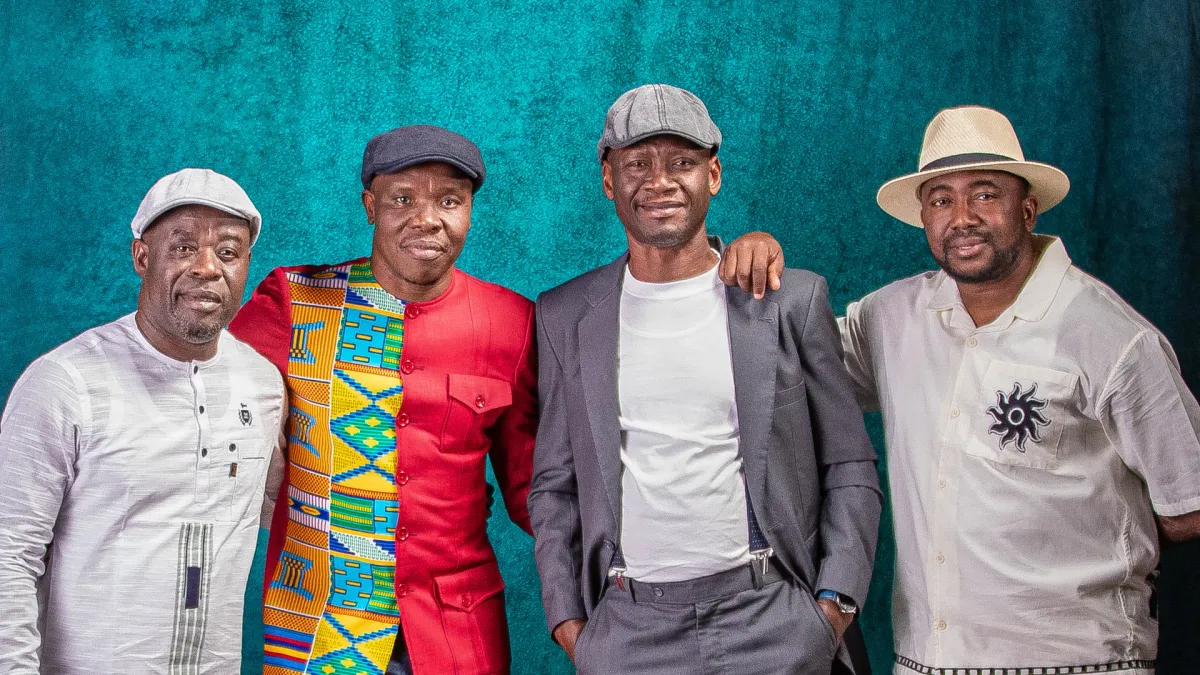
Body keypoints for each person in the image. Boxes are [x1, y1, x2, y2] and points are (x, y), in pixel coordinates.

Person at [736, 105, 1200, 674]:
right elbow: (783, 364)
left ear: (1027, 209)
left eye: (984, 194)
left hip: (1080, 658)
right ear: (923, 217)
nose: (962, 218)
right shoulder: (891, 318)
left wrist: (1092, 544)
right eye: (941, 200)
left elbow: (1189, 504)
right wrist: (751, 263)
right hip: (927, 659)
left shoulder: (1111, 337)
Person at [528, 84, 882, 675]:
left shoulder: (787, 300)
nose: (660, 182)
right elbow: (553, 486)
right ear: (609, 180)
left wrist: (834, 604)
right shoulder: (566, 315)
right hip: (629, 634)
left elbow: (849, 463)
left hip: (772, 618)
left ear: (713, 175)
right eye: (637, 164)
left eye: (682, 163)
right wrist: (571, 625)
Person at [0, 168, 286, 674]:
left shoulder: (262, 385)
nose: (207, 268)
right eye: (183, 247)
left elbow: (280, 514)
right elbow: (9, 553)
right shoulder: (67, 381)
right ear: (142, 257)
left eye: (228, 251)